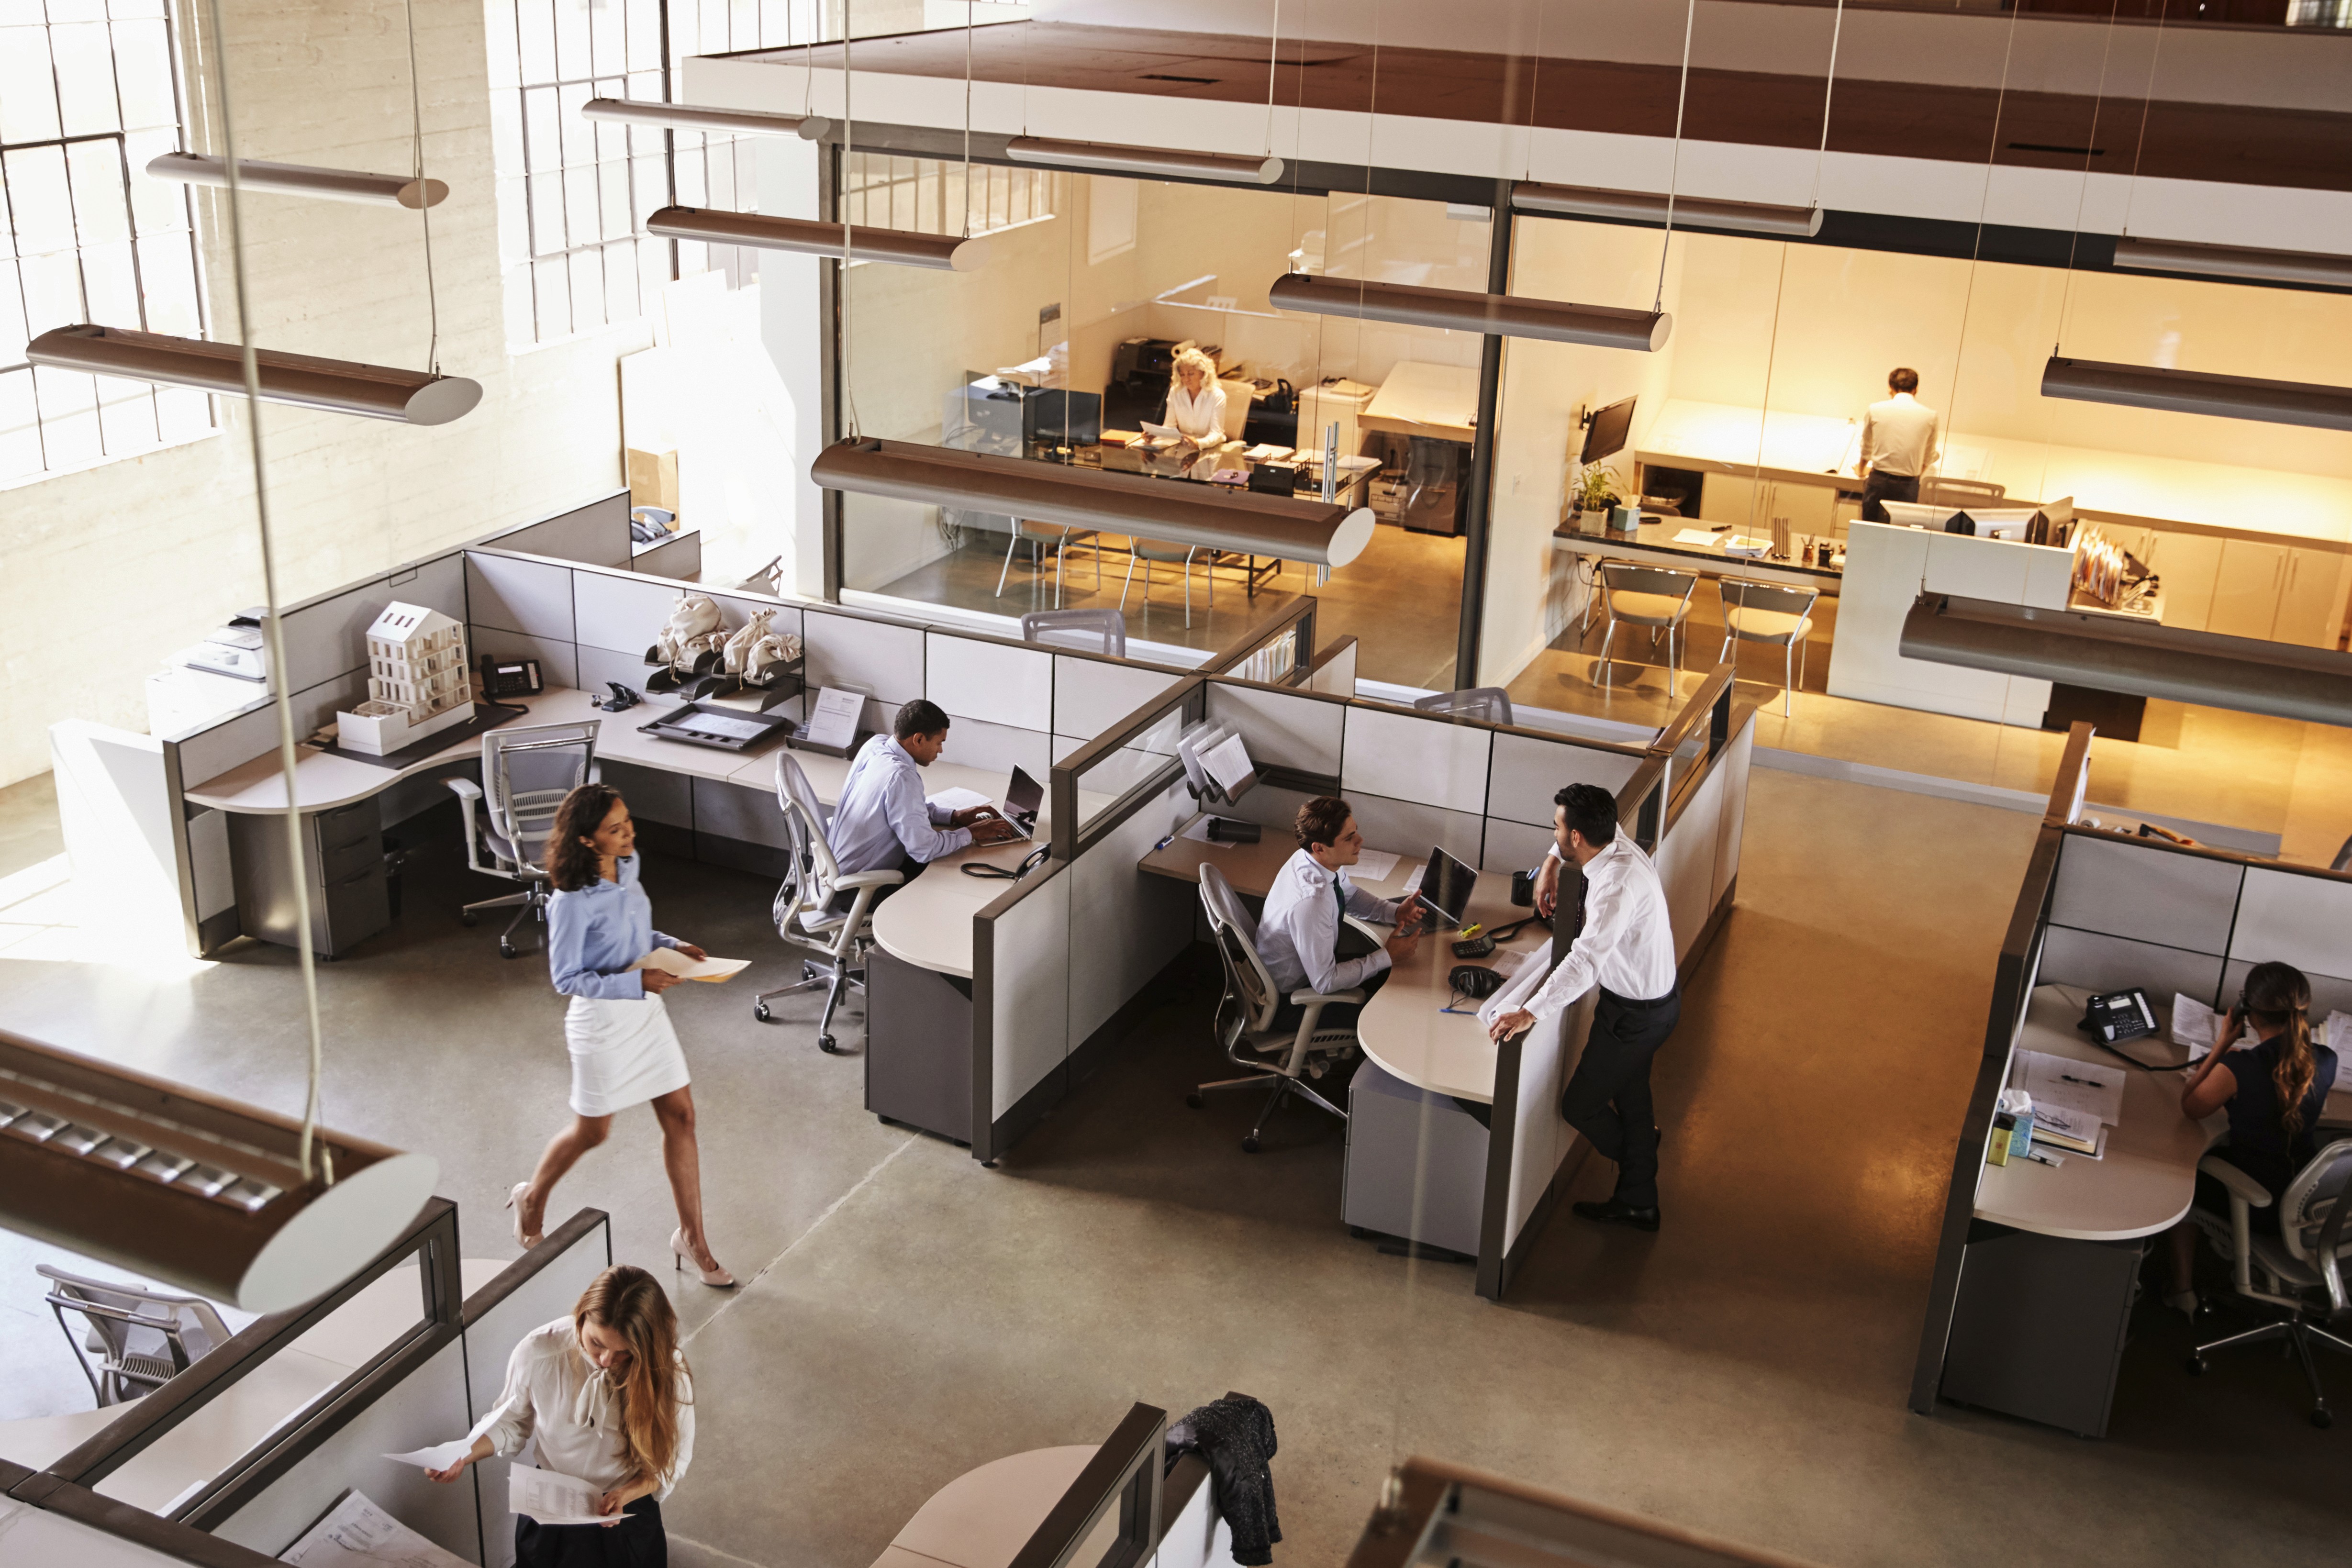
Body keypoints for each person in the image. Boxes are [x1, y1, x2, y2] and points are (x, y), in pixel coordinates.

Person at [508, 784, 732, 1290]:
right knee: (593, 1132)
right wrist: (637, 982)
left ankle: (692, 1239)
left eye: (627, 820)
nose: (629, 832)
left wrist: (673, 945)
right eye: (615, 829)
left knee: (682, 1116)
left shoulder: (628, 867)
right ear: (587, 840)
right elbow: (566, 978)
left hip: (645, 1013)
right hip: (602, 1022)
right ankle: (533, 1196)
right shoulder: (571, 902)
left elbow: (634, 936)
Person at [1487, 783, 1679, 1232]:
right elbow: (1569, 839)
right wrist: (1550, 864)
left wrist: (1530, 1011)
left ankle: (1639, 1165)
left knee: (1580, 1106)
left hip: (1634, 1016)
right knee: (1632, 1095)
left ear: (1576, 835)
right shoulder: (1613, 840)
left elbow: (1585, 962)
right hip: (1652, 1004)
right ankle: (1639, 1200)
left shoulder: (1614, 887)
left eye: (1556, 828)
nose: (1553, 833)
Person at [425, 1264, 693, 1567]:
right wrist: (463, 1453)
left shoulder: (667, 1372)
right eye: (597, 1343)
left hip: (624, 1509)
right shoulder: (539, 1351)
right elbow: (510, 1423)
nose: (606, 1360)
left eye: (624, 1353)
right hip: (549, 1506)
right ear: (582, 1315)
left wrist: (625, 1494)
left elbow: (671, 1461)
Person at [2157, 961, 2339, 1317]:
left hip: (2262, 1208)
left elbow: (2190, 1107)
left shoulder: (2239, 1068)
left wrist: (2223, 1043)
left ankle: (2182, 1291)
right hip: (2308, 1203)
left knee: (2183, 1181)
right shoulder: (2326, 1060)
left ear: (2248, 1011)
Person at [827, 700, 1020, 909]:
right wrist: (972, 833)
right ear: (919, 739)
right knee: (951, 880)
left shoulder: (876, 745)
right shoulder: (901, 776)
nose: (941, 750)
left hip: (836, 874)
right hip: (857, 890)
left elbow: (905, 808)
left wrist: (954, 816)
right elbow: (924, 849)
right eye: (939, 743)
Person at [1255, 796, 1424, 1031]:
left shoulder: (1312, 860)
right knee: (1394, 1019)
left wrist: (1394, 912)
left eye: (1356, 831)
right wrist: (1387, 956)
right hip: (1293, 1003)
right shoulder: (1311, 902)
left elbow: (1348, 895)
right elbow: (1325, 982)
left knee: (1396, 981)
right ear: (1320, 848)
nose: (1360, 840)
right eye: (1348, 838)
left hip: (1311, 974)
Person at [1854, 367, 1940, 523]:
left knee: (1870, 530)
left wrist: (1861, 471)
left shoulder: (1875, 410)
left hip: (1879, 480)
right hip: (1909, 485)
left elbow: (1866, 448)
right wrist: (1914, 475)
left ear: (1890, 388)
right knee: (1900, 533)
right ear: (1916, 389)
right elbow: (1928, 457)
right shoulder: (1931, 416)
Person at [1161, 347, 1227, 446]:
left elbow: (1217, 433)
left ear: (1203, 373)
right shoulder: (1176, 392)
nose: (1186, 379)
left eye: (1191, 374)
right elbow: (1169, 427)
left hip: (1210, 448)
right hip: (1183, 447)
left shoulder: (1217, 396)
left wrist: (1198, 443)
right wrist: (1156, 435)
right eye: (1182, 375)